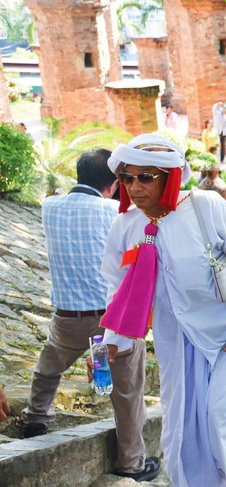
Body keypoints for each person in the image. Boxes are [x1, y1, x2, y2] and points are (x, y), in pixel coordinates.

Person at [98, 134, 226, 486]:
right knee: (182, 436)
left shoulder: (206, 206)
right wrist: (112, 339)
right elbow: (118, 289)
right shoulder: (125, 225)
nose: (135, 186)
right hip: (174, 343)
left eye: (146, 176)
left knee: (224, 418)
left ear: (170, 177)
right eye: (128, 178)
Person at [23, 149, 158, 481]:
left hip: (67, 317)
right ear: (114, 184)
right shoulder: (114, 211)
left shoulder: (49, 206)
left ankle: (36, 417)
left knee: (49, 368)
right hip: (109, 323)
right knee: (126, 393)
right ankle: (131, 463)